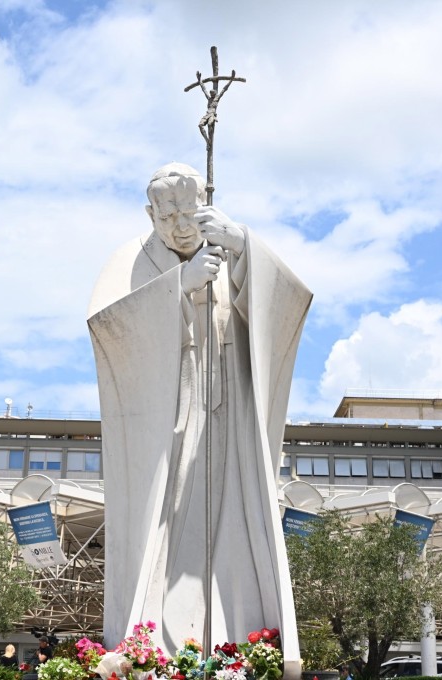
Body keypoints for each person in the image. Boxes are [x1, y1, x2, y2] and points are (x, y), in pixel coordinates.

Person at [88, 163, 310, 664]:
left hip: (229, 416)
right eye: (169, 216)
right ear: (151, 214)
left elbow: (289, 304)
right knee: (168, 523)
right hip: (169, 424)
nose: (182, 225)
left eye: (190, 212)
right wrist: (178, 286)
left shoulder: (227, 244)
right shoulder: (129, 261)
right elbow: (109, 328)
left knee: (234, 518)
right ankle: (153, 647)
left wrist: (245, 250)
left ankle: (241, 642)